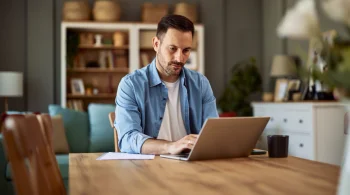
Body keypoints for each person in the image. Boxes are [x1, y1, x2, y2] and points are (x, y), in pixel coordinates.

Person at [115, 14, 218, 155]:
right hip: (149, 168)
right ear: (156, 44)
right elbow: (127, 140)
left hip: (192, 166)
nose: (179, 58)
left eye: (186, 50)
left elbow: (213, 134)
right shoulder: (131, 85)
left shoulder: (201, 83)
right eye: (172, 48)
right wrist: (171, 147)